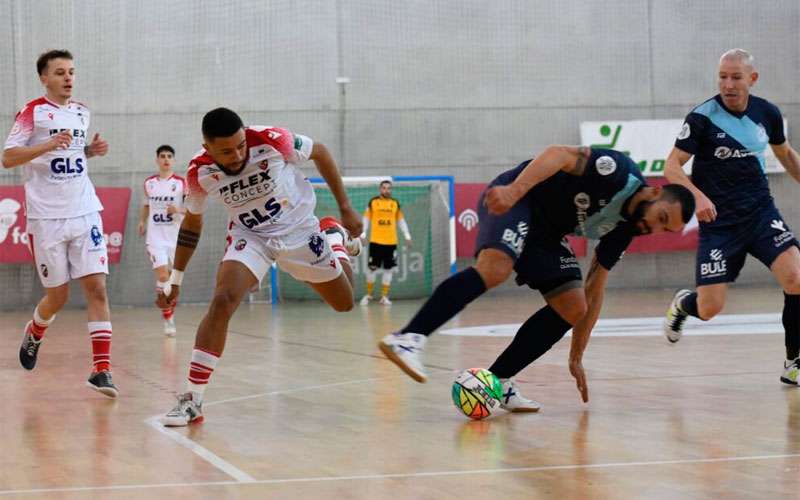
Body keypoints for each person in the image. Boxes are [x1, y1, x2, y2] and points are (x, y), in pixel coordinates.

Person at [380, 146, 694, 410]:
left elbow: (595, 285)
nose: (654, 228)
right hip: (519, 199)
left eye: (664, 229)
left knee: (573, 306)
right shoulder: (616, 172)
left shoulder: (627, 228)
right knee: (496, 268)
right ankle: (408, 338)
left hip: (546, 233)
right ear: (654, 192)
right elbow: (558, 154)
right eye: (661, 217)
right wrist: (514, 190)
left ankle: (499, 380)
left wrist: (577, 355)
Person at [158, 107, 362, 426]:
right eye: (226, 151)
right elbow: (192, 224)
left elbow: (319, 151)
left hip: (299, 231)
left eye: (240, 145)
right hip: (251, 237)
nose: (238, 154)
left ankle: (333, 235)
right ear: (207, 147)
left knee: (344, 302)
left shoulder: (272, 140)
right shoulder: (199, 173)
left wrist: (346, 208)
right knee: (223, 300)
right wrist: (175, 278)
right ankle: (192, 400)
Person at [662, 49, 800, 385]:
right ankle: (684, 305)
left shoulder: (766, 113)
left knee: (797, 277)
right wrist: (697, 196)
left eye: (736, 77)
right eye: (722, 77)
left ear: (752, 79)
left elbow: (786, 156)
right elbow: (671, 166)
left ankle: (794, 362)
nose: (728, 84)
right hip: (719, 225)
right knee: (710, 309)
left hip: (759, 213)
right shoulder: (702, 118)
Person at [2, 49, 117, 397]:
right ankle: (36, 330)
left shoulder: (82, 112)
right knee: (58, 295)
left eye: (71, 71)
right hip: (47, 217)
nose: (68, 77)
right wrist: (47, 144)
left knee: (97, 288)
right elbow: (8, 157)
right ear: (44, 78)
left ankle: (101, 370)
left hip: (84, 210)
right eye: (60, 72)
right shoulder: (31, 112)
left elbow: (70, 154)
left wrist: (89, 152)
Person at [138, 145, 185, 336]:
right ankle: (168, 319)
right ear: (157, 160)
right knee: (163, 277)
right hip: (155, 237)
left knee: (173, 282)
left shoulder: (182, 183)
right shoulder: (149, 183)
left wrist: (178, 210)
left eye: (169, 156)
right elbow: (146, 205)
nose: (166, 159)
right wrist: (142, 221)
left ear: (173, 160)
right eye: (162, 156)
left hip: (176, 237)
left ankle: (168, 307)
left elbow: (193, 209)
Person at [359, 180, 412, 306]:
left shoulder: (395, 204)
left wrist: (407, 236)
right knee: (372, 268)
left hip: (391, 242)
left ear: (391, 190)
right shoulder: (373, 202)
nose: (386, 190)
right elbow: (365, 219)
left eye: (389, 188)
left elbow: (401, 221)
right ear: (380, 189)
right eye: (384, 188)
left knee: (388, 269)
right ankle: (369, 295)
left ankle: (384, 297)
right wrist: (363, 234)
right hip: (376, 241)